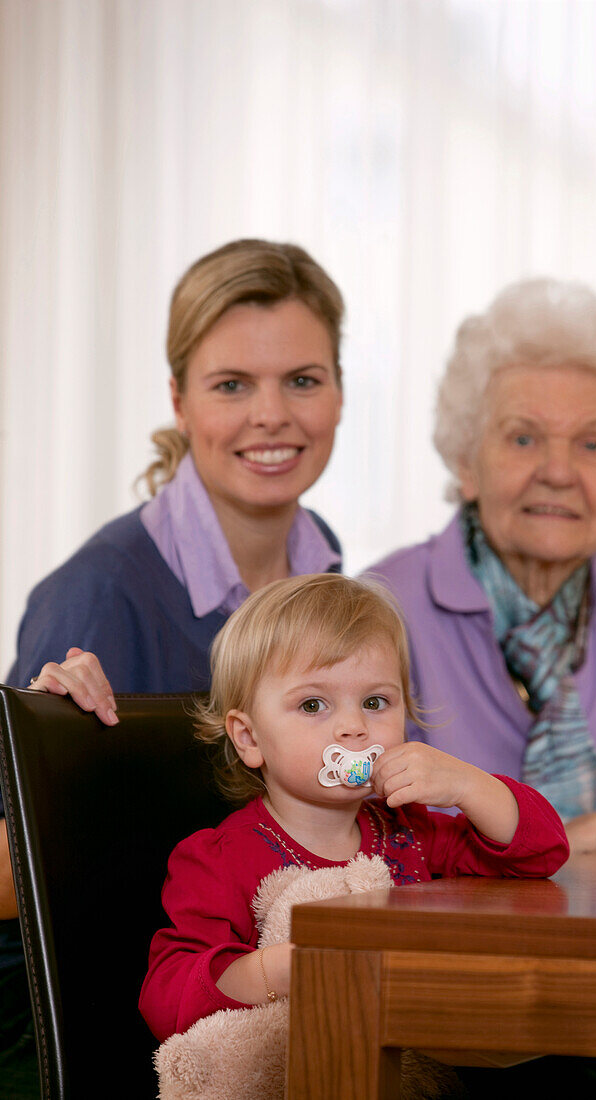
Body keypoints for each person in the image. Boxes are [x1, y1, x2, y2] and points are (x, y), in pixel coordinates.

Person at [0, 239, 346, 1091]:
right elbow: (7, 875)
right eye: (232, 385)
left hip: (250, 995)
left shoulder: (327, 570)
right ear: (180, 401)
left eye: (303, 379)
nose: (274, 415)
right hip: (92, 1023)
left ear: (339, 390)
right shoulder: (97, 595)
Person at [368, 278, 596, 853]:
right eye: (523, 439)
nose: (558, 472)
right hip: (431, 933)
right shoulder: (386, 602)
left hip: (592, 931)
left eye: (592, 444)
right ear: (466, 461)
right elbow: (339, 818)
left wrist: (588, 834)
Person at [138, 573, 568, 1040]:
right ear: (250, 737)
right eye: (312, 705)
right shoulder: (217, 859)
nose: (353, 726)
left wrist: (468, 784)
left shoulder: (412, 831)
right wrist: (280, 970)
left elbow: (542, 853)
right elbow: (167, 1002)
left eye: (375, 701)